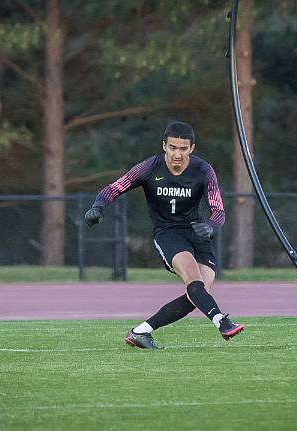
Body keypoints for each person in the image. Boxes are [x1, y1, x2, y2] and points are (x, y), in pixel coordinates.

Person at [85, 121, 244, 349]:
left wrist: (211, 227)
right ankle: (223, 322)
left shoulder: (203, 170)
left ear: (192, 148)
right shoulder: (150, 167)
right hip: (168, 233)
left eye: (182, 148)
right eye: (172, 148)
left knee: (197, 296)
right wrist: (97, 207)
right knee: (194, 280)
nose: (177, 154)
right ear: (164, 146)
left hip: (198, 233)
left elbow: (218, 209)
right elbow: (115, 187)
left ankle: (141, 331)